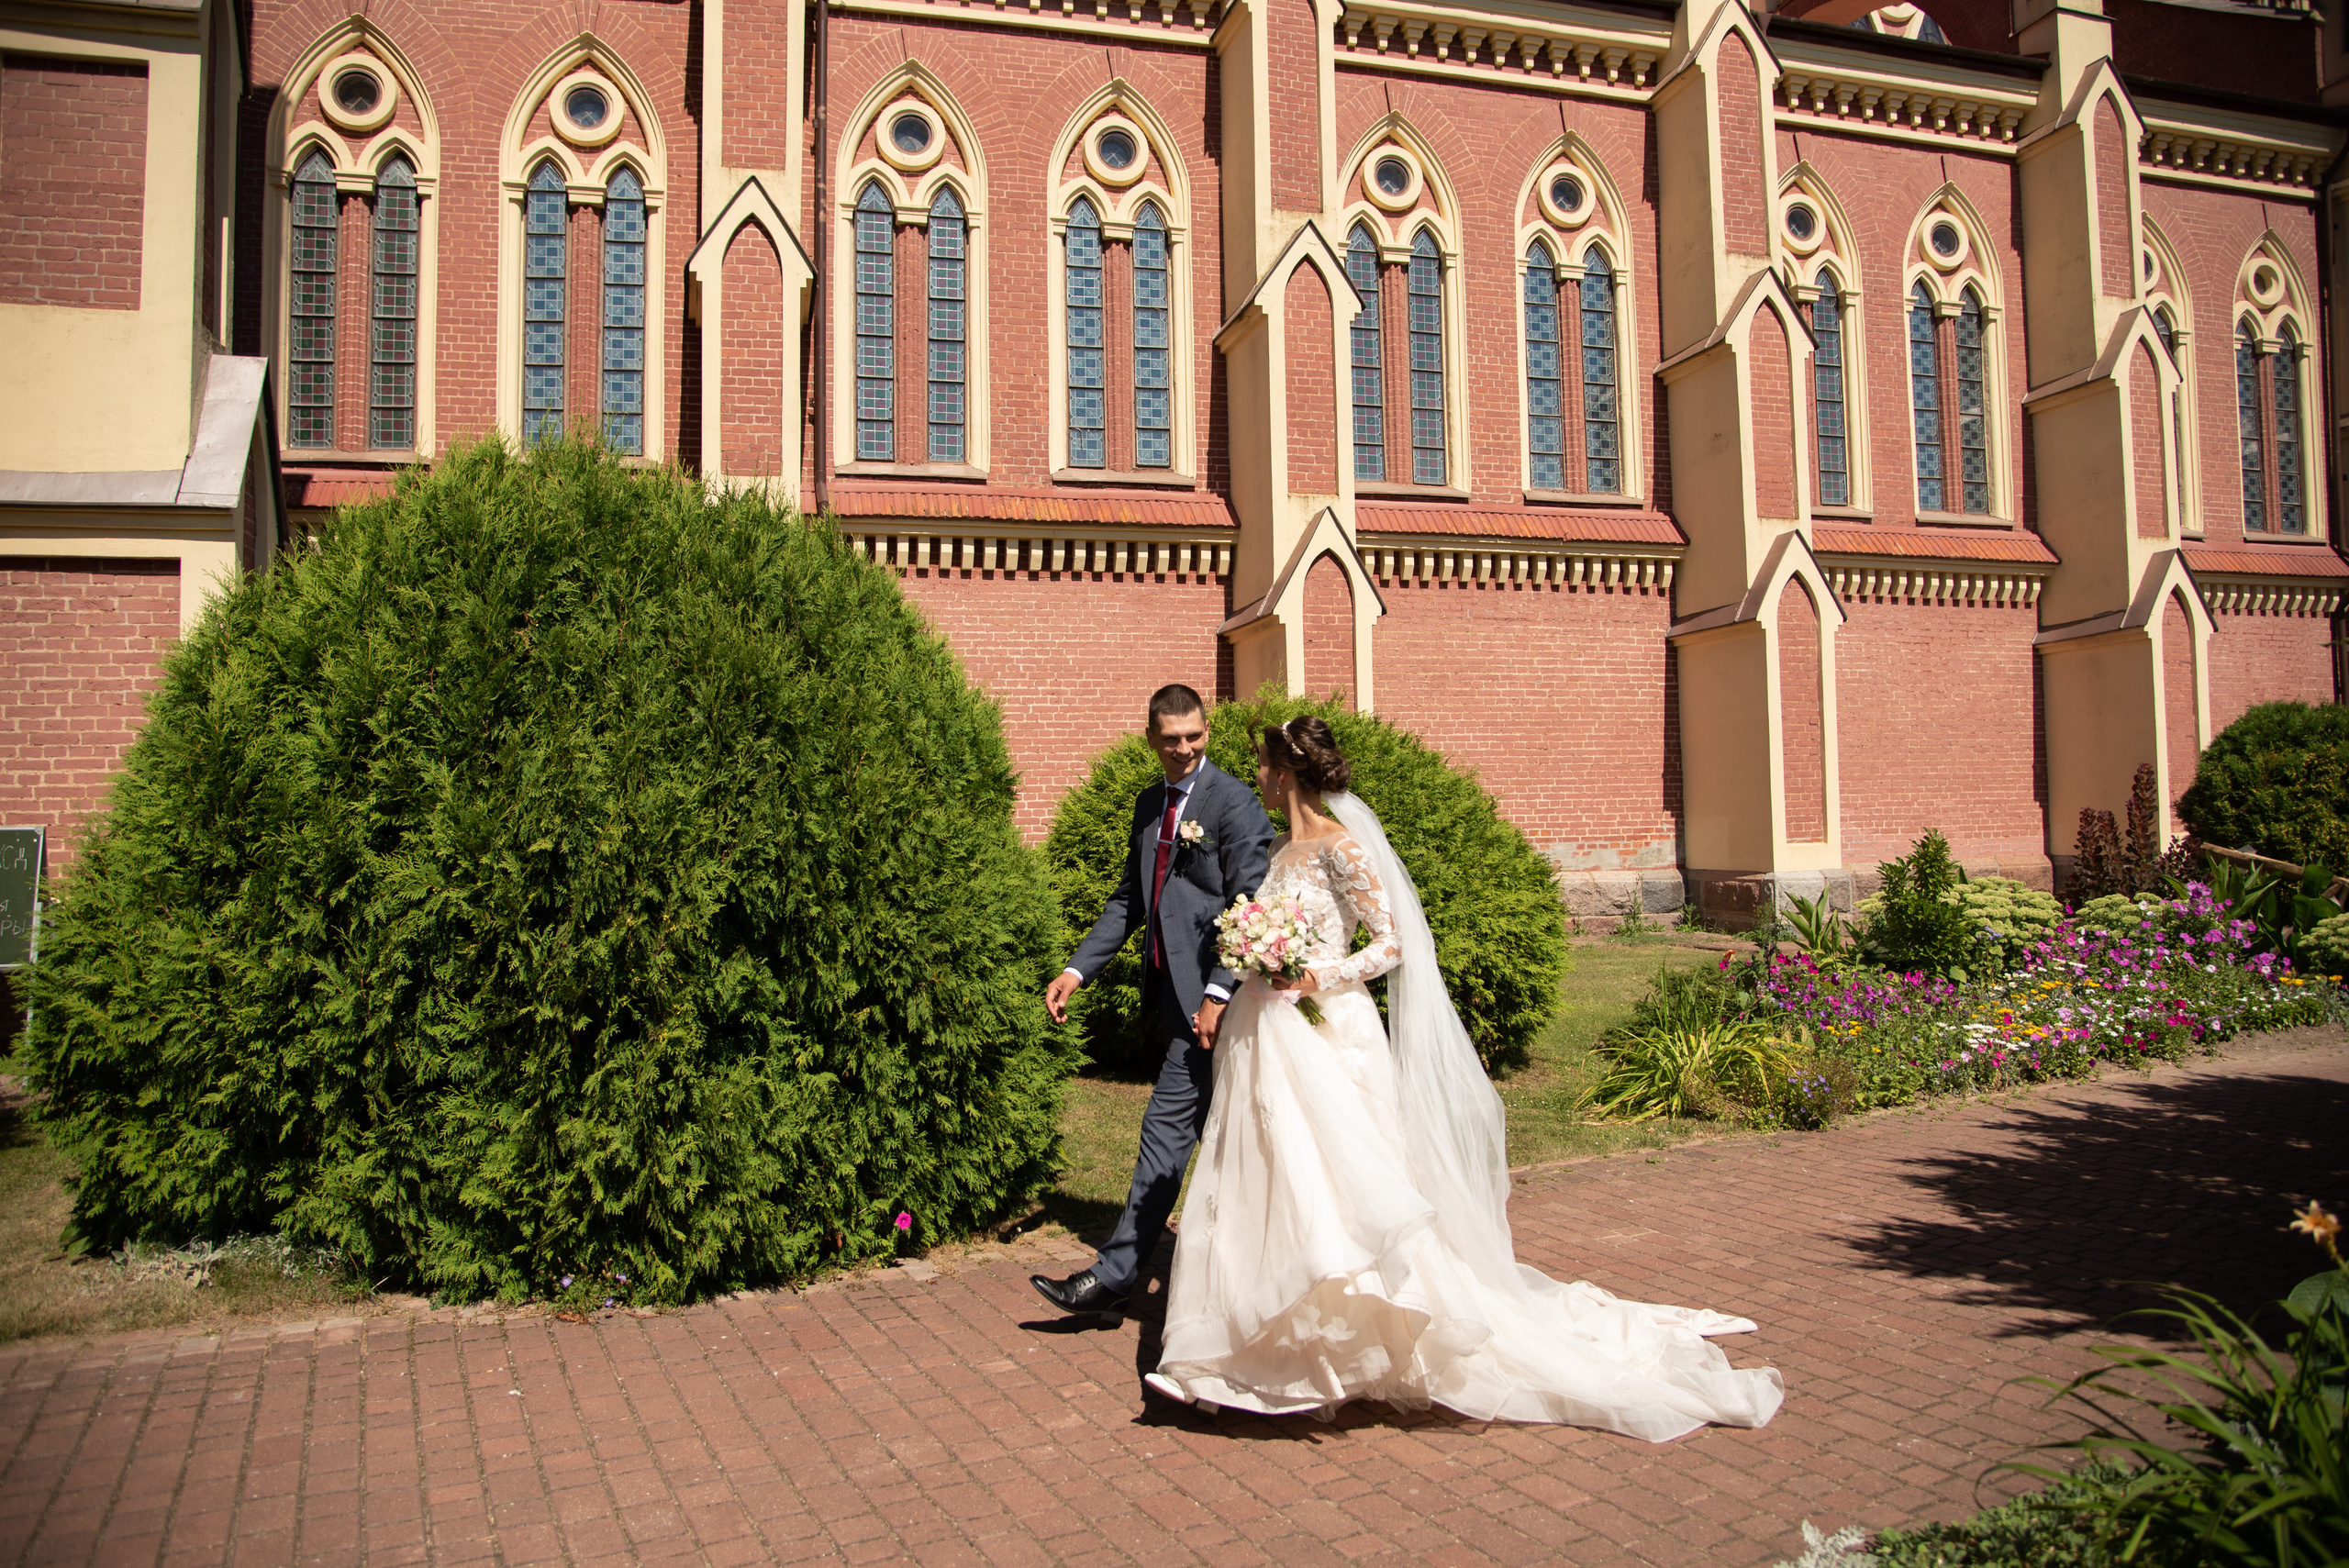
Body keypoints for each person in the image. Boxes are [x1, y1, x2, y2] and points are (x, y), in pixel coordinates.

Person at [1141, 717, 1786, 1440]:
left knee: (1347, 1185)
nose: (1257, 777)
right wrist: (1256, 957)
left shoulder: (1340, 848)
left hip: (1330, 1029)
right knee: (1274, 1178)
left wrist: (1316, 974)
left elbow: (1393, 944)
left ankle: (1354, 1344)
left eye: (1263, 766)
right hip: (1270, 1032)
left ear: (1285, 773)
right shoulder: (1284, 849)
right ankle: (1274, 1349)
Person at [1031, 685, 1275, 1325]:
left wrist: (1220, 990)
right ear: (1151, 737)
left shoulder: (1235, 803)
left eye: (1194, 735)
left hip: (1226, 1006)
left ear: (1207, 730)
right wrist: (1075, 969)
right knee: (1203, 1140)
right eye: (1171, 738)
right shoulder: (1148, 806)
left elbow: (1252, 906)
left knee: (1173, 1135)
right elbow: (1128, 901)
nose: (1185, 747)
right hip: (1177, 1005)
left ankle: (1114, 1280)